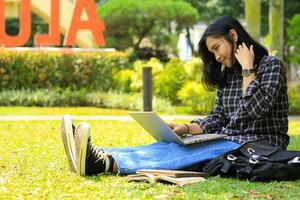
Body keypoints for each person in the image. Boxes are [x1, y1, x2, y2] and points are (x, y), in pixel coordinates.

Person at [60, 16, 289, 176]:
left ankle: (104, 163)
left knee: (193, 151)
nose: (216, 57)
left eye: (217, 48)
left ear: (233, 36)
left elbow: (253, 111)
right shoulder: (228, 76)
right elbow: (218, 117)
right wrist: (186, 129)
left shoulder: (271, 67)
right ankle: (98, 154)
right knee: (174, 145)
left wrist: (248, 69)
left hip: (261, 144)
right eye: (212, 52)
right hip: (229, 139)